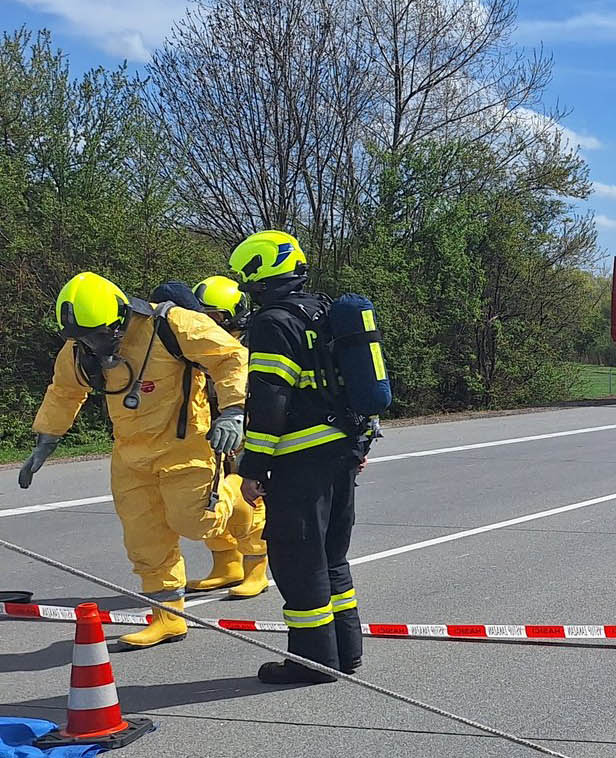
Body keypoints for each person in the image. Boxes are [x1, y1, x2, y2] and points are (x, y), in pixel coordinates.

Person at [19, 272, 258, 647]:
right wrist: (46, 439)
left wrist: (232, 412)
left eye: (99, 335)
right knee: (144, 538)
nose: (94, 344)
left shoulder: (170, 324)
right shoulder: (81, 348)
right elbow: (65, 390)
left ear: (119, 315)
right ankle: (168, 618)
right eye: (84, 338)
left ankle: (239, 498)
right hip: (130, 454)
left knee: (197, 522)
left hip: (185, 446)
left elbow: (229, 356)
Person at [229, 231, 366, 685]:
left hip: (300, 460)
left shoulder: (273, 323)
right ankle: (345, 652)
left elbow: (270, 399)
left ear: (262, 276)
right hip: (341, 451)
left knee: (298, 562)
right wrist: (359, 445)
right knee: (332, 557)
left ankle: (312, 663)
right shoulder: (323, 311)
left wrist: (252, 467)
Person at [183, 275, 269, 598]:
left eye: (215, 316)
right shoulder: (195, 346)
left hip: (246, 434)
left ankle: (256, 569)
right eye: (202, 316)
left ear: (235, 315)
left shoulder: (250, 348)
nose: (207, 323)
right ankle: (225, 565)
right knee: (210, 498)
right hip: (209, 433)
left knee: (249, 499)